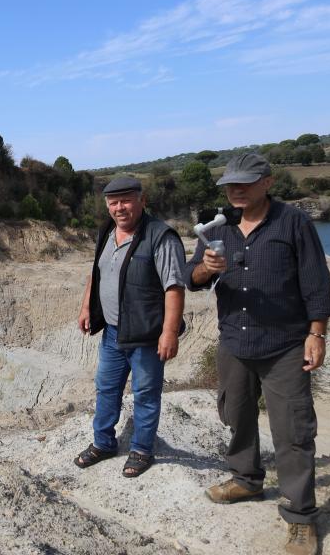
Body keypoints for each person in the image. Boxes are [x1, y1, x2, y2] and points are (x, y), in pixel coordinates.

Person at [184, 153, 330, 555]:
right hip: (234, 342)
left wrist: (316, 333)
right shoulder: (219, 226)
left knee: (293, 431)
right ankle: (247, 480)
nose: (236, 190)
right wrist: (206, 270)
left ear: (267, 182)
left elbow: (317, 283)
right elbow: (190, 277)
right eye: (231, 183)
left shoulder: (293, 223)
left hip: (284, 345)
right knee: (236, 414)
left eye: (245, 183)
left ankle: (300, 516)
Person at [75, 177, 186, 477]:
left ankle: (140, 450)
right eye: (113, 202)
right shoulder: (107, 232)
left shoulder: (161, 237)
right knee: (106, 389)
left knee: (146, 394)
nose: (119, 207)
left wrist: (169, 332)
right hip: (112, 333)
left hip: (147, 336)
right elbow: (96, 273)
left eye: (126, 200)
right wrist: (87, 306)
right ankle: (103, 443)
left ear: (142, 200)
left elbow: (174, 287)